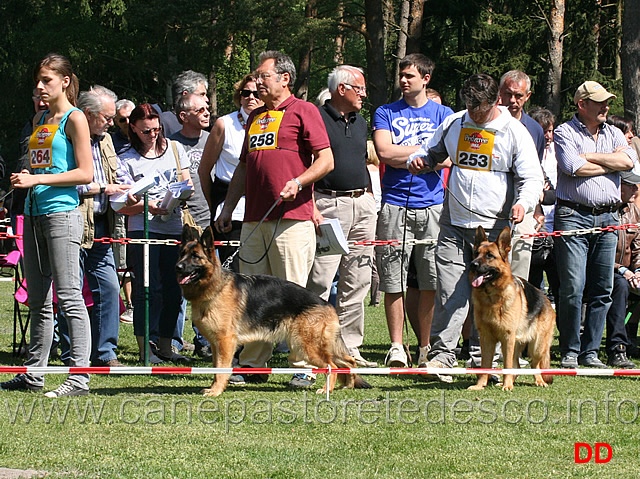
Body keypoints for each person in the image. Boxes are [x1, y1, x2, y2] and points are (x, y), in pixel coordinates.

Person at [408, 73, 544, 382]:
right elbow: (431, 153)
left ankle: (490, 364)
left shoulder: (514, 131)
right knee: (449, 291)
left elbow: (532, 176)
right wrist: (420, 160)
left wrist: (523, 202)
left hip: (493, 229)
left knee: (497, 298)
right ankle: (442, 357)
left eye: (479, 107)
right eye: (468, 105)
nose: (473, 112)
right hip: (454, 223)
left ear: (495, 101)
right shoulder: (455, 123)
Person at [215, 50, 334, 388]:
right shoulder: (255, 118)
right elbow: (243, 168)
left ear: (285, 79)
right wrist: (227, 208)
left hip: (293, 218)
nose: (257, 82)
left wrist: (300, 181)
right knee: (252, 295)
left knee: (291, 293)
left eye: (264, 76)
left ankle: (302, 365)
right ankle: (253, 363)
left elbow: (326, 160)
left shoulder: (305, 110)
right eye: (256, 76)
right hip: (254, 218)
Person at [0, 53, 94, 397]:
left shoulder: (76, 118)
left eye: (46, 81)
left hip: (63, 215)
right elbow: (43, 168)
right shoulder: (41, 118)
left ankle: (78, 379)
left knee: (69, 297)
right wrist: (28, 178)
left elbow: (85, 173)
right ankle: (33, 375)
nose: (39, 87)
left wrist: (40, 181)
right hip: (34, 214)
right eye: (37, 81)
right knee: (38, 300)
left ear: (65, 82)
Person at [372, 53, 453, 367]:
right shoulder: (385, 112)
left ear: (426, 79)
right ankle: (395, 346)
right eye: (401, 75)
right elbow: (383, 151)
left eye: (410, 76)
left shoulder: (444, 113)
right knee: (393, 279)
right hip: (394, 203)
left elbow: (448, 157)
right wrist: (425, 154)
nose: (404, 81)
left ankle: (424, 347)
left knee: (432, 280)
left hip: (434, 205)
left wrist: (408, 155)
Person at [554, 80, 638, 369]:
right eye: (600, 102)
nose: (606, 107)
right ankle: (569, 350)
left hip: (608, 218)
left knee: (603, 288)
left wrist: (589, 157)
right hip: (573, 216)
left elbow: (630, 163)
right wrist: (610, 163)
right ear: (582, 105)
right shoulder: (565, 131)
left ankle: (590, 352)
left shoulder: (614, 132)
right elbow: (571, 167)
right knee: (573, 287)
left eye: (607, 102)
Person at [306, 65, 378, 368]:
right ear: (342, 90)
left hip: (362, 205)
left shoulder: (361, 122)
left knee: (357, 280)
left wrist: (370, 198)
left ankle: (350, 348)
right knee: (321, 280)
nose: (364, 94)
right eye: (359, 88)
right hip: (328, 206)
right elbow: (308, 162)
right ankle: (313, 348)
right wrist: (311, 206)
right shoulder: (316, 118)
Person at [117, 103, 193, 363]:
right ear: (134, 129)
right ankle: (144, 348)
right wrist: (146, 206)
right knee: (148, 289)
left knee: (174, 288)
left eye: (156, 130)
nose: (152, 135)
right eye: (146, 131)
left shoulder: (174, 148)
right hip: (143, 229)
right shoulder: (126, 158)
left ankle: (166, 344)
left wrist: (179, 194)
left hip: (172, 227)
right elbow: (121, 205)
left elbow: (188, 184)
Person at [68, 85, 130, 367]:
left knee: (108, 287)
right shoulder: (67, 136)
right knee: (71, 290)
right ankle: (73, 352)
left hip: (103, 226)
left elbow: (113, 173)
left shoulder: (105, 139)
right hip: (73, 222)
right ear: (88, 114)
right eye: (106, 117)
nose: (111, 123)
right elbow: (66, 182)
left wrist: (127, 190)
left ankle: (104, 353)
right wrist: (104, 188)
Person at [200, 74, 264, 271]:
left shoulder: (271, 123)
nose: (250, 97)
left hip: (262, 207)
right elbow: (204, 169)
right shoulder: (224, 124)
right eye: (246, 93)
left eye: (256, 93)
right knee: (236, 272)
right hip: (232, 211)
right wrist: (216, 204)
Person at [170, 92, 212, 357]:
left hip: (209, 217)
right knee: (182, 280)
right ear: (184, 116)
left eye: (207, 108)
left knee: (207, 282)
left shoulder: (212, 140)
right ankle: (174, 340)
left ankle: (205, 340)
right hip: (182, 220)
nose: (206, 113)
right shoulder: (172, 144)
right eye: (200, 110)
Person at [498, 70, 545, 280]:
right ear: (499, 92)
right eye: (508, 94)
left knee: (518, 271)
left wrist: (535, 208)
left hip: (522, 209)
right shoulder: (488, 123)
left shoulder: (535, 129)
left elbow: (535, 175)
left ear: (528, 96)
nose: (512, 100)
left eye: (519, 96)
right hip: (491, 204)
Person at [606, 170, 640, 368]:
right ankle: (618, 347)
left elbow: (638, 247)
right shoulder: (604, 211)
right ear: (618, 187)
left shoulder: (633, 212)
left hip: (629, 272)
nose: (636, 189)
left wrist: (638, 270)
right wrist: (622, 270)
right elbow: (598, 253)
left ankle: (632, 338)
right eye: (631, 185)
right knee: (620, 286)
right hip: (605, 271)